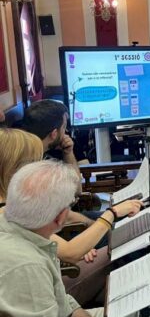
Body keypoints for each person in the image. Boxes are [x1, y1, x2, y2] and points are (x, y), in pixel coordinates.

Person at [0, 128, 142, 307]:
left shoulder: (12, 204)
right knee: (122, 249)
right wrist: (111, 214)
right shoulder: (7, 213)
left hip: (45, 278)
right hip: (44, 291)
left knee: (113, 286)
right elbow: (71, 253)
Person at [0, 160, 138, 317]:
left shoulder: (13, 225)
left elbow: (65, 309)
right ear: (61, 217)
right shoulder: (28, 266)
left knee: (129, 315)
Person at [22, 99, 81, 175]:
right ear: (54, 134)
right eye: (63, 127)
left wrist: (67, 153)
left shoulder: (19, 152)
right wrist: (69, 154)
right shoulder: (47, 170)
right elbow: (75, 181)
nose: (66, 131)